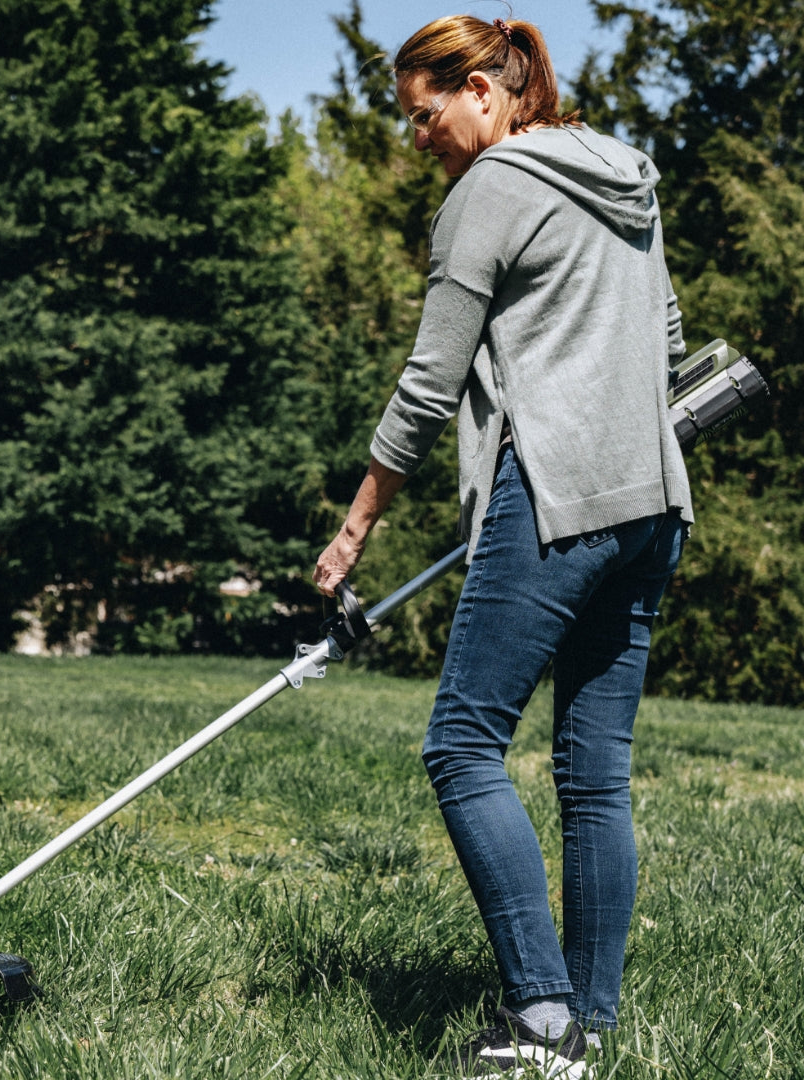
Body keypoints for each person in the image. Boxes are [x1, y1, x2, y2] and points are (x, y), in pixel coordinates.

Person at [312, 13, 691, 1078]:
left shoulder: (490, 191)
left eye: (424, 114)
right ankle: (589, 1031)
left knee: (462, 746)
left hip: (559, 497)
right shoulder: (626, 174)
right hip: (655, 504)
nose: (417, 139)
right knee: (594, 777)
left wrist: (357, 524)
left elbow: (431, 384)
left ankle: (538, 1015)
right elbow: (664, 343)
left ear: (483, 85)